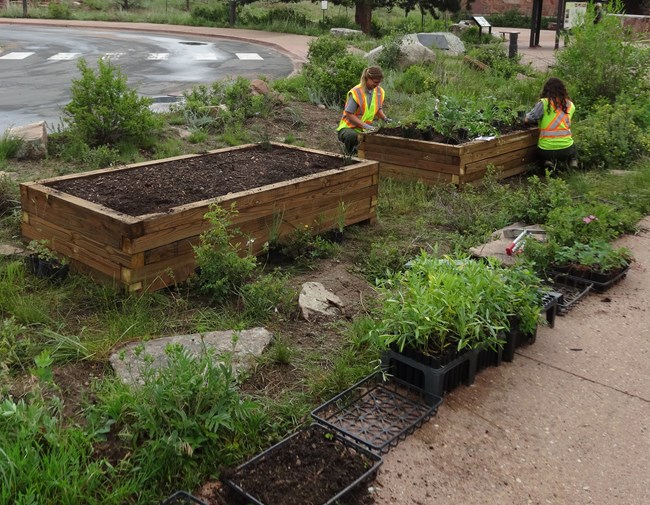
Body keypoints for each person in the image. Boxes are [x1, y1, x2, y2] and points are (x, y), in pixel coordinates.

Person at [524, 77, 578, 169]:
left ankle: (547, 162)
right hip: (566, 149)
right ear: (563, 90)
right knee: (573, 148)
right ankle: (573, 161)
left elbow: (528, 119)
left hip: (546, 150)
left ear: (546, 90)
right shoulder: (570, 105)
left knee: (539, 153)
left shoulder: (544, 104)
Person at [336, 66, 389, 156]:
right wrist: (365, 126)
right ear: (367, 78)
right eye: (375, 82)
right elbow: (349, 114)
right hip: (349, 128)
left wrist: (385, 119)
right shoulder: (357, 92)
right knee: (351, 137)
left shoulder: (379, 91)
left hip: (365, 129)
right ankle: (349, 156)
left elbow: (378, 109)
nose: (377, 85)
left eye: (379, 82)